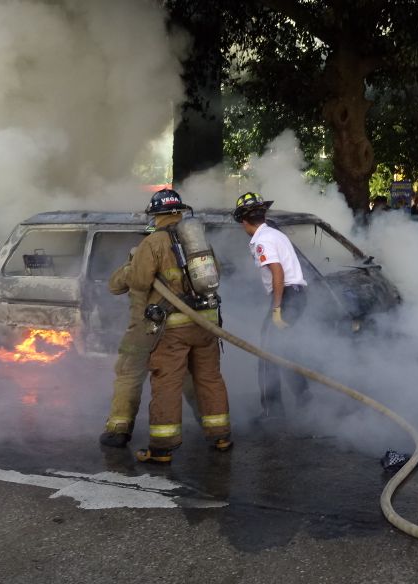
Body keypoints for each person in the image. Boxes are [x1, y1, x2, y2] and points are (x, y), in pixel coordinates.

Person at [125, 189, 232, 463]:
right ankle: (220, 436)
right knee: (209, 379)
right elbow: (215, 275)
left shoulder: (154, 243)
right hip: (207, 324)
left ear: (156, 215)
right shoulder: (198, 241)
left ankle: (162, 448)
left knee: (167, 382)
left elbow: (138, 283)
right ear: (180, 212)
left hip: (173, 328)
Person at [99, 235, 199, 449]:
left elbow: (114, 286)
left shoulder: (137, 268)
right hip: (173, 331)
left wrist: (131, 262)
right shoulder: (179, 266)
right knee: (185, 374)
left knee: (128, 375)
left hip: (142, 332)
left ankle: (119, 430)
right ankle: (208, 422)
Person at [233, 192, 312, 419]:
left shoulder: (262, 240)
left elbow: (277, 272)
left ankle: (272, 411)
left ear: (243, 221)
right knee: (284, 349)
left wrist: (277, 309)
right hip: (296, 295)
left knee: (266, 354)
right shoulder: (274, 233)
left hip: (287, 297)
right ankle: (303, 394)